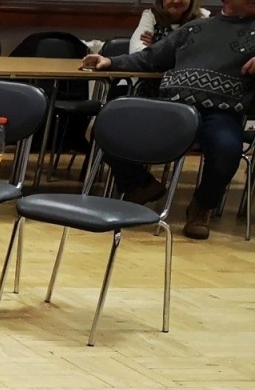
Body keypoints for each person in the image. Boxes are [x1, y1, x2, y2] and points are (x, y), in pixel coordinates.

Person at [84, 0, 255, 240]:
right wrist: (111, 61)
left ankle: (201, 207)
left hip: (220, 111)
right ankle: (140, 185)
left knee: (227, 148)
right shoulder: (196, 27)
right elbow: (151, 57)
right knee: (111, 126)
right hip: (173, 106)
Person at [131, 0, 210, 53]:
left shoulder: (202, 17)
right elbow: (136, 52)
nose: (176, 1)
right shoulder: (151, 16)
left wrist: (154, 49)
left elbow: (204, 56)